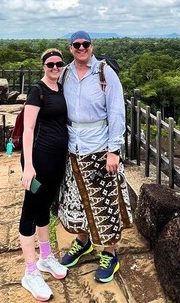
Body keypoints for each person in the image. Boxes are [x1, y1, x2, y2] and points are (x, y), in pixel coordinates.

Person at [58, 31, 133, 283]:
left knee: (105, 202)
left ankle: (110, 254)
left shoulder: (104, 73)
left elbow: (116, 112)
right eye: (76, 45)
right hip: (72, 146)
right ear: (70, 48)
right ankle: (83, 241)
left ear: (92, 46)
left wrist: (114, 150)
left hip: (99, 147)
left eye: (85, 44)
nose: (81, 48)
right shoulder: (65, 74)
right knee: (76, 200)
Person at [18, 48, 70, 301]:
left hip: (56, 160)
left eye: (58, 64)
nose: (54, 68)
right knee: (31, 208)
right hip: (38, 159)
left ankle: (46, 257)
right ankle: (29, 271)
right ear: (43, 67)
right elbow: (28, 129)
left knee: (45, 207)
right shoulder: (37, 91)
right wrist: (29, 165)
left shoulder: (61, 89)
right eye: (50, 64)